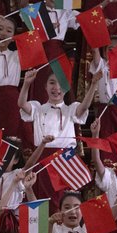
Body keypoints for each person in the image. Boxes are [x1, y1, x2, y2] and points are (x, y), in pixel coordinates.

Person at [18, 69, 100, 203]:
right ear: (45, 87)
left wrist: (93, 85)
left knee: (64, 199)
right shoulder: (38, 108)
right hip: (42, 158)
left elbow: (84, 107)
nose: (56, 88)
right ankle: (44, 223)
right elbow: (22, 104)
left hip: (65, 160)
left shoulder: (71, 109)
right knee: (42, 198)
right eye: (52, 83)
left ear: (66, 89)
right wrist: (27, 83)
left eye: (60, 84)